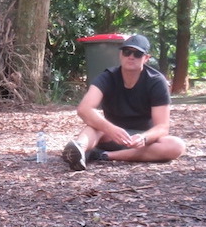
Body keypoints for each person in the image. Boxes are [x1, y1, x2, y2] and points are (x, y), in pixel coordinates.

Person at [62, 34, 186, 171]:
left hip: (143, 140)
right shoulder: (107, 77)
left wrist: (144, 138)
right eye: (127, 52)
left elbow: (162, 127)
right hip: (110, 136)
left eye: (137, 54)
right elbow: (84, 109)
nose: (131, 56)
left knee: (176, 145)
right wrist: (111, 129)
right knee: (93, 127)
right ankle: (78, 149)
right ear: (120, 54)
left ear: (146, 58)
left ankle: (104, 155)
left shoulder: (156, 81)